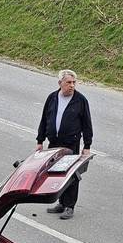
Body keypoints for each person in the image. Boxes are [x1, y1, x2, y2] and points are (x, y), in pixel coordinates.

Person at [36, 69, 93, 219]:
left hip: (71, 144)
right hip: (54, 142)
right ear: (60, 83)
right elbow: (44, 119)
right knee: (55, 174)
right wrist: (39, 140)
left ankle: (69, 206)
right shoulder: (52, 98)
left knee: (71, 175)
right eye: (68, 82)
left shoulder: (80, 100)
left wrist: (87, 146)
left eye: (74, 82)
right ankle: (61, 202)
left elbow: (87, 125)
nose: (72, 85)